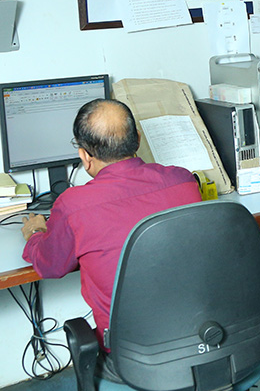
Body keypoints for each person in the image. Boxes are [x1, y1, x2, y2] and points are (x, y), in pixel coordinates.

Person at [20, 99, 201, 361]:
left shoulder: (73, 205)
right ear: (137, 140)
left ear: (85, 156)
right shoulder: (182, 179)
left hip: (131, 354)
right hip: (200, 335)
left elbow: (51, 266)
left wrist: (35, 233)